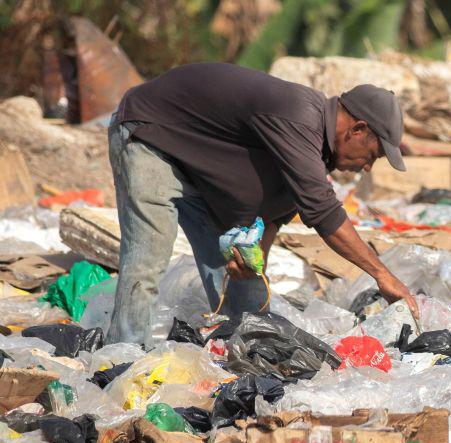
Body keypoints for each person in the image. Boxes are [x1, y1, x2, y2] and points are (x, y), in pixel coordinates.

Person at [106, 62, 418, 345]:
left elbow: (273, 215)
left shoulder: (314, 150)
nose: (367, 168)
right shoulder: (299, 114)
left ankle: (241, 356)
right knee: (150, 252)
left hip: (196, 165)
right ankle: (123, 358)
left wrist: (252, 261)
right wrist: (382, 274)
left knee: (249, 296)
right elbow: (322, 211)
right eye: (373, 155)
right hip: (151, 135)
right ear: (358, 129)